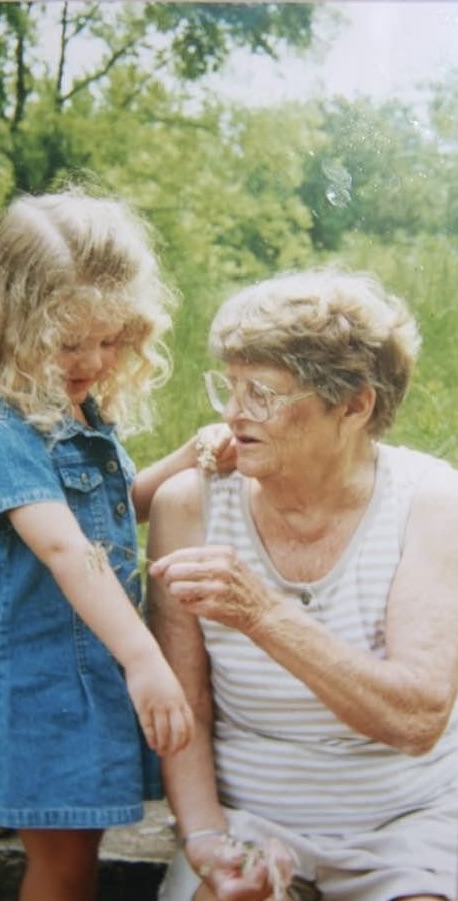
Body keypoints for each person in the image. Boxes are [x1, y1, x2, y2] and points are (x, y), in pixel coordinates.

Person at [0, 188, 233, 901]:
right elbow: (67, 549)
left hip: (83, 669)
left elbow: (110, 513)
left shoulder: (77, 409)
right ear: (11, 328)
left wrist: (188, 458)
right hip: (36, 683)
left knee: (81, 852)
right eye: (70, 344)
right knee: (63, 865)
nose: (94, 359)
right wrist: (145, 658)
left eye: (110, 339)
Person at [147, 267, 458, 901]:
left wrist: (265, 614)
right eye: (230, 387)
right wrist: (207, 841)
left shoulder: (429, 501)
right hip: (249, 822)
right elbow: (187, 705)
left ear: (354, 406)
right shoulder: (190, 506)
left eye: (261, 393)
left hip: (406, 825)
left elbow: (416, 718)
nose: (232, 414)